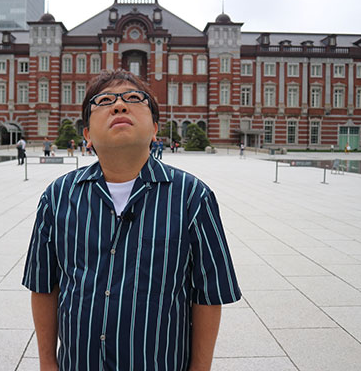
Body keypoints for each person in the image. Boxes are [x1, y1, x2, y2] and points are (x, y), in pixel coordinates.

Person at [23, 69, 240, 371]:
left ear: (154, 129)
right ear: (86, 134)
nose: (119, 106)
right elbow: (43, 286)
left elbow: (208, 295)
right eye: (105, 100)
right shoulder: (58, 196)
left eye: (134, 98)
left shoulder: (192, 197)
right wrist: (47, 363)